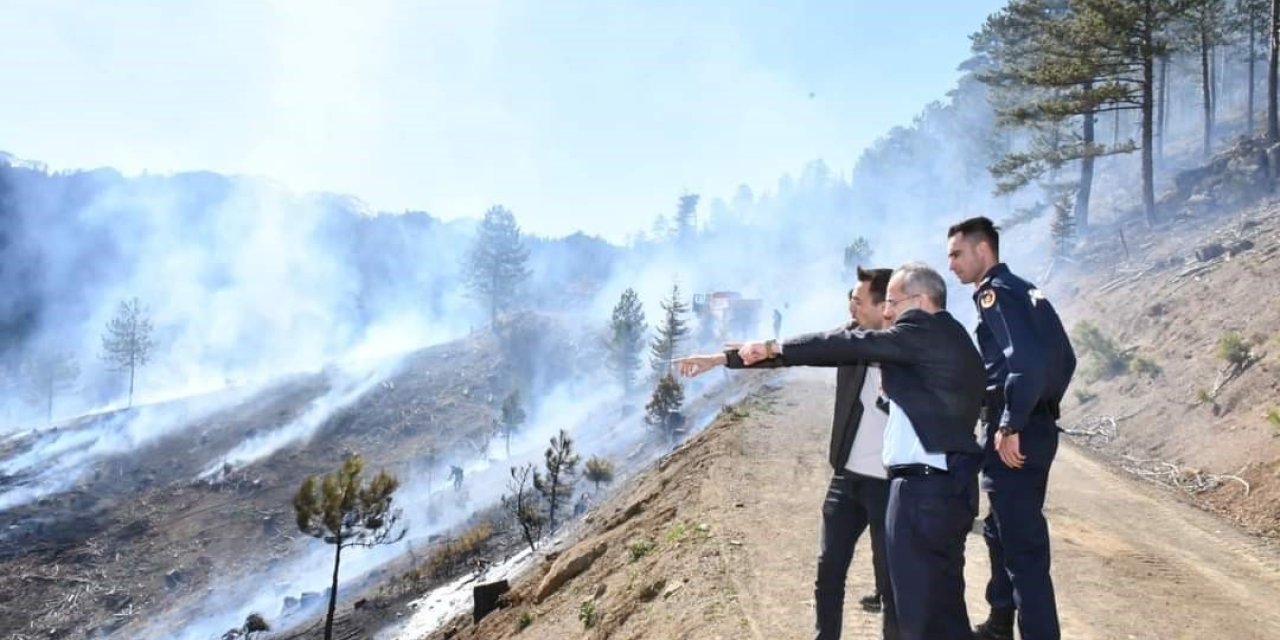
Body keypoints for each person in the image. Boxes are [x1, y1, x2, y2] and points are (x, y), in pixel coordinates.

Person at [679, 263, 985, 640]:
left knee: (905, 593)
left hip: (904, 486)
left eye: (875, 302)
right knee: (848, 577)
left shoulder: (916, 337)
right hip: (857, 478)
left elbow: (845, 348)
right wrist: (722, 359)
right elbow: (816, 347)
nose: (855, 309)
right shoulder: (880, 340)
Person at [713, 268, 896, 639]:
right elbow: (795, 352)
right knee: (828, 574)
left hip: (891, 485)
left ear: (884, 307)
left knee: (893, 585)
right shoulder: (849, 339)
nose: (851, 305)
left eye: (859, 300)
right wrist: (719, 360)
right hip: (847, 479)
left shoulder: (909, 348)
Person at [946, 217, 1077, 640]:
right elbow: (1066, 359)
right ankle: (1001, 620)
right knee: (1000, 529)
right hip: (1033, 424)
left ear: (982, 250)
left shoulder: (994, 295)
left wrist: (1012, 421)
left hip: (1016, 429)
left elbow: (1026, 362)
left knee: (1024, 549)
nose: (950, 265)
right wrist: (1039, 408)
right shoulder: (1025, 289)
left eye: (956, 254)